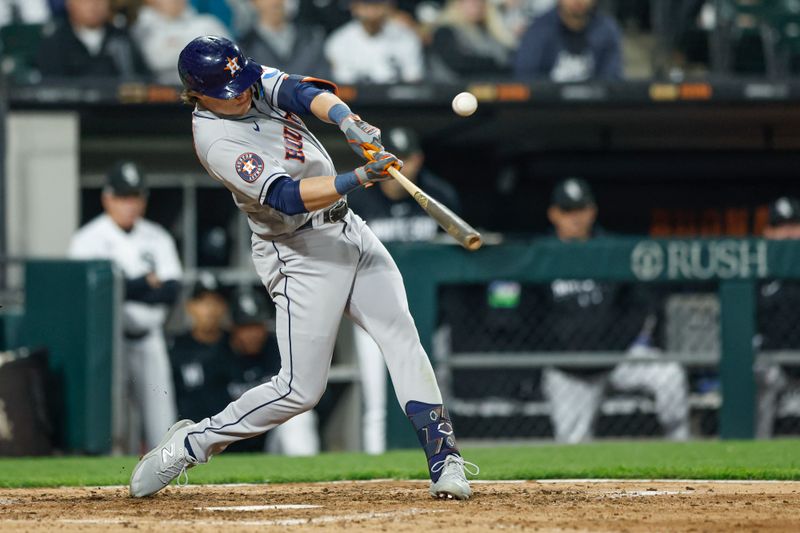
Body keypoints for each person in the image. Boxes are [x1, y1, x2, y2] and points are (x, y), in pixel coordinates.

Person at [129, 36, 477, 500]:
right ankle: (192, 443)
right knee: (299, 391)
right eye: (229, 90)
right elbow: (285, 197)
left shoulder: (246, 81)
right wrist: (357, 178)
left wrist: (347, 121)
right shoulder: (216, 139)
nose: (243, 93)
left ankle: (445, 460)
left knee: (402, 337)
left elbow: (300, 92)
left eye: (242, 82)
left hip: (348, 229)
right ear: (198, 93)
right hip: (299, 252)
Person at [540, 178, 689, 443]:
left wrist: (614, 344)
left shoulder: (613, 250)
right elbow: (530, 315)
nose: (575, 218)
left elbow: (639, 304)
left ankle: (679, 441)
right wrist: (561, 350)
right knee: (573, 445)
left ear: (592, 211)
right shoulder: (539, 255)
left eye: (580, 209)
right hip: (568, 369)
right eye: (567, 211)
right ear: (554, 214)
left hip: (619, 358)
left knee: (669, 374)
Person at [344, 127, 460, 454]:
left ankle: (441, 458)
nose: (399, 168)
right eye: (392, 159)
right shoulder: (360, 199)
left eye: (405, 159)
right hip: (374, 314)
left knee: (435, 396)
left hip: (429, 314)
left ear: (418, 160)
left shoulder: (439, 196)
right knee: (378, 401)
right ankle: (379, 469)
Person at [69, 161, 181, 450]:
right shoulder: (87, 240)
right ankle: (111, 484)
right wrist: (145, 283)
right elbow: (96, 296)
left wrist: (127, 287)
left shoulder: (157, 236)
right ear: (107, 198)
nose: (128, 204)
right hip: (109, 342)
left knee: (162, 417)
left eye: (134, 197)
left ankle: (167, 473)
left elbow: (171, 290)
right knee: (111, 417)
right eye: (122, 197)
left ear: (143, 200)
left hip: (150, 339)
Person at [226, 290, 320, 456]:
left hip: (272, 436)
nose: (253, 334)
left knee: (298, 417)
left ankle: (305, 476)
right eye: (246, 327)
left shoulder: (280, 349)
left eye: (257, 326)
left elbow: (309, 395)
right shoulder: (220, 354)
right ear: (234, 328)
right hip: (233, 442)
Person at [755, 197, 800, 438]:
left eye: (794, 225)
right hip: (773, 361)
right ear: (769, 233)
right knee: (760, 374)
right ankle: (754, 451)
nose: (789, 233)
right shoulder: (758, 272)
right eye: (781, 227)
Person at [169, 272, 232, 424]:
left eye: (216, 301)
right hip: (189, 434)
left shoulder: (235, 345)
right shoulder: (175, 347)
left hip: (235, 436)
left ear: (224, 306)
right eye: (202, 301)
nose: (210, 309)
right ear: (190, 306)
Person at [514, 0, 622, 82]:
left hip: (593, 109)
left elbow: (612, 83)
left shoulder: (606, 30)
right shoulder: (538, 30)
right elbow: (526, 80)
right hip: (547, 108)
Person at [37, 0, 149, 79]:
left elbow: (139, 81)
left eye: (99, 0)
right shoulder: (55, 42)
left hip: (118, 109)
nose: (93, 5)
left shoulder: (123, 39)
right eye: (86, 1)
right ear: (70, 3)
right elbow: (52, 88)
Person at [325, 0, 424, 83]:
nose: (372, 10)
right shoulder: (339, 41)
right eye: (366, 4)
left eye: (377, 4)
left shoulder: (406, 37)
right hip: (354, 105)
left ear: (388, 7)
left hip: (400, 104)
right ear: (354, 8)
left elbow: (413, 79)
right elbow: (344, 82)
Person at [132, 0, 229, 84]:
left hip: (213, 89)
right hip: (166, 94)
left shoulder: (208, 22)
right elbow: (158, 61)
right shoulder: (143, 26)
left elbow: (230, 56)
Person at [240, 0, 330, 79]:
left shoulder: (312, 37)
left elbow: (324, 82)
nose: (274, 2)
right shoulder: (244, 47)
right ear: (253, 2)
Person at [430, 0, 514, 80]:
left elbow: (507, 59)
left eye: (481, 1)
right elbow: (457, 62)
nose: (477, 5)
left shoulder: (490, 31)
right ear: (458, 4)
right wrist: (492, 62)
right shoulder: (445, 31)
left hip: (491, 86)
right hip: (452, 90)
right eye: (471, 1)